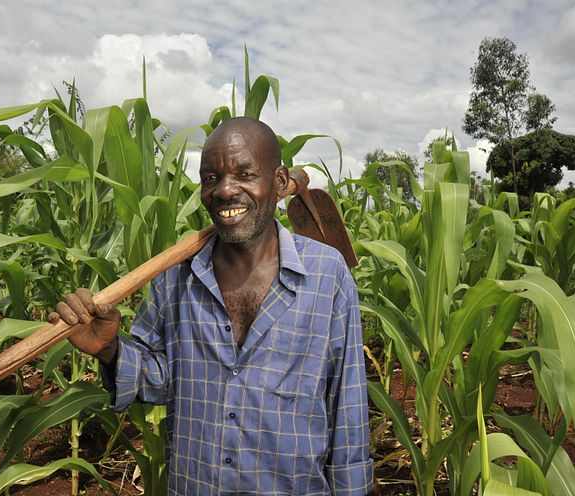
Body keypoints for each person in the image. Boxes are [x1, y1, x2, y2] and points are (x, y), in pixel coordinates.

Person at [49, 117, 374, 495]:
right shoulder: (174, 277)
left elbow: (346, 405)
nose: (224, 191)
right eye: (210, 178)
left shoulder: (326, 274)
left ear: (281, 183)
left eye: (245, 173)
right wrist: (110, 349)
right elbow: (158, 379)